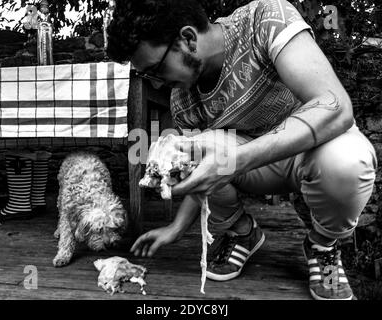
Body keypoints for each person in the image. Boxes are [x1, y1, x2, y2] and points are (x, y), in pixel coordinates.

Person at [107, 0, 377, 300]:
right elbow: (200, 175)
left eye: (155, 69)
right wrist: (176, 228)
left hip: (314, 153)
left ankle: (323, 246)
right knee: (192, 149)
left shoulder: (265, 19)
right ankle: (243, 233)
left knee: (348, 161)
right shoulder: (182, 101)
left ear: (187, 39)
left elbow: (336, 107)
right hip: (254, 169)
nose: (157, 84)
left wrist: (237, 159)